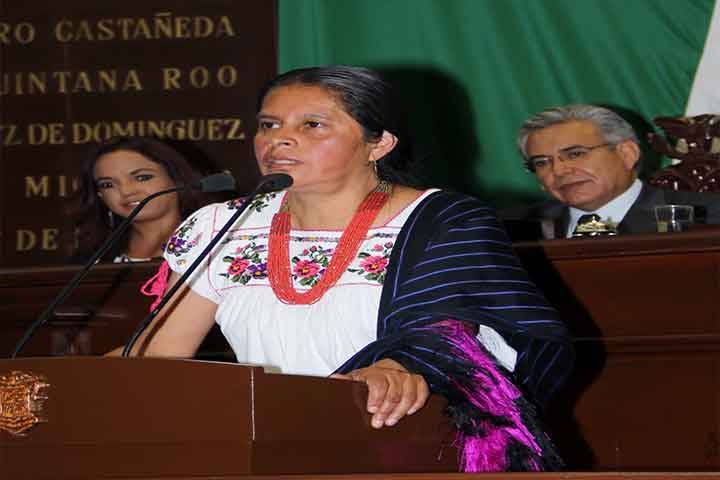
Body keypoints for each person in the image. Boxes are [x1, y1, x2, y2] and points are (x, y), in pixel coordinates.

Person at [123, 66, 573, 472]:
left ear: (379, 143)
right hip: (267, 446)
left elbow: (464, 327)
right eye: (268, 125)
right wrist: (81, 383)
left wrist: (397, 367)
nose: (279, 139)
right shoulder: (221, 225)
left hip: (406, 440)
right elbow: (157, 359)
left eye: (312, 125)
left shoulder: (442, 220)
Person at [503, 104, 720, 239]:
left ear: (627, 154)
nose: (558, 170)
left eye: (575, 154)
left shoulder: (708, 216)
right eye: (542, 162)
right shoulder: (507, 229)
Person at [71, 137, 217, 263]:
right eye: (108, 185)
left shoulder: (215, 246)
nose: (126, 191)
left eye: (142, 178)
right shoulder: (90, 259)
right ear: (100, 195)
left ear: (175, 179)